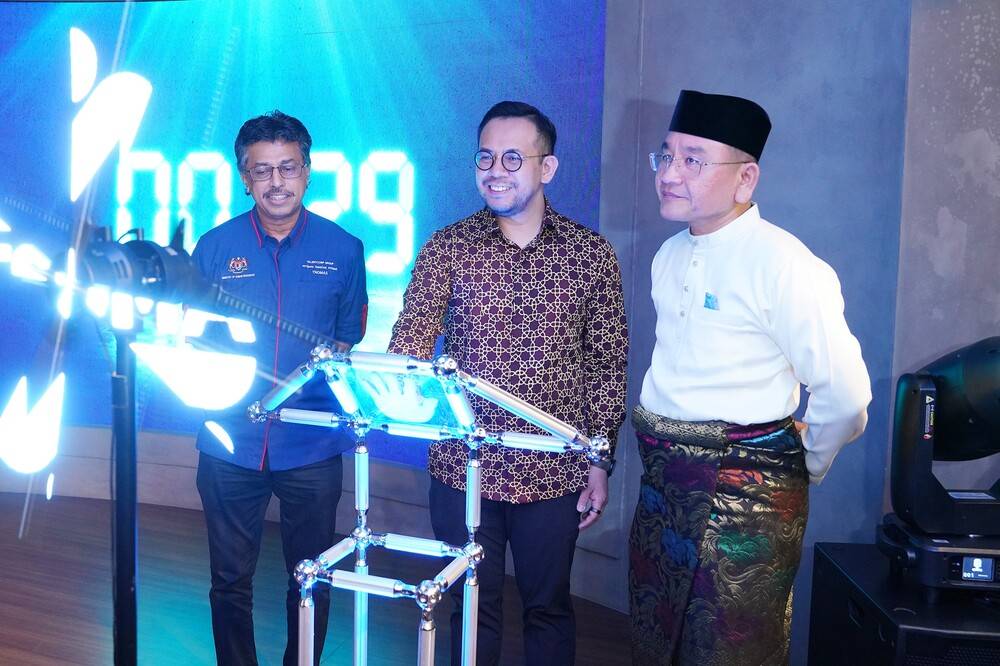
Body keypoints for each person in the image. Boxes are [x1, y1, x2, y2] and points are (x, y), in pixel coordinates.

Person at [629, 90, 872, 666]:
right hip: (664, 484)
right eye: (665, 156)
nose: (670, 173)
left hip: (745, 498)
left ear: (746, 179)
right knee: (655, 637)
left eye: (693, 159)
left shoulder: (785, 264)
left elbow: (847, 397)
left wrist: (802, 462)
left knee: (730, 648)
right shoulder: (668, 255)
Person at [388, 101, 628, 665]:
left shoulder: (591, 255)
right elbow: (412, 340)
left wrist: (600, 458)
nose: (495, 170)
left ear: (547, 169)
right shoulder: (448, 247)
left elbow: (607, 366)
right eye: (486, 157)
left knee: (548, 608)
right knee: (472, 607)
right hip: (462, 468)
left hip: (553, 470)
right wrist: (404, 379)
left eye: (513, 158)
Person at [191, 110, 368, 666]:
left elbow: (346, 339)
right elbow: (193, 338)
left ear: (308, 170)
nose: (276, 182)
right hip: (230, 442)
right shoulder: (214, 248)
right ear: (245, 178)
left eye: (287, 168)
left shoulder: (343, 249)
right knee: (228, 581)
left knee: (312, 579)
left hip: (312, 446)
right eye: (261, 170)